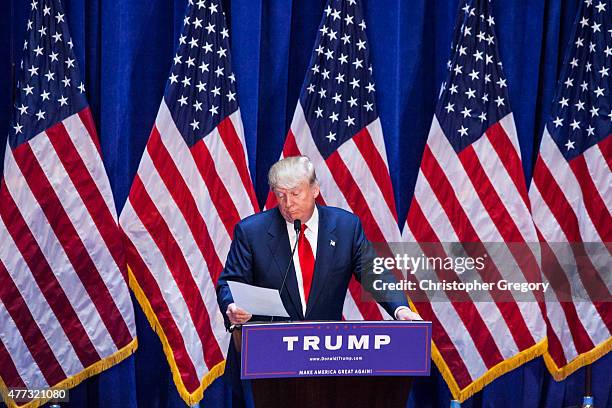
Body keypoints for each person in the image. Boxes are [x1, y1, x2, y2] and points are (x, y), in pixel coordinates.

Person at [216, 155, 420, 406]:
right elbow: (229, 283)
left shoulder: (346, 226)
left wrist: (400, 309)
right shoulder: (252, 231)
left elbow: (374, 272)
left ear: (315, 190)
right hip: (266, 364)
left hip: (325, 363)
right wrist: (232, 307)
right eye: (280, 195)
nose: (288, 204)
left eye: (295, 194)